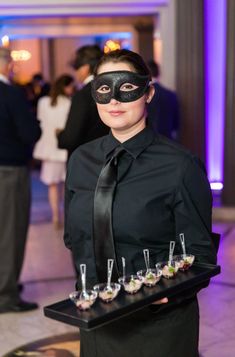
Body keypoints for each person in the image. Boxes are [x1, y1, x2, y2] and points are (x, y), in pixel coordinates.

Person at [63, 49, 217, 357]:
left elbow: (200, 255)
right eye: (104, 89)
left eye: (127, 87)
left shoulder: (180, 166)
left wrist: (166, 295)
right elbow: (75, 238)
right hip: (96, 322)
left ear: (148, 93)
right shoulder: (81, 160)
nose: (114, 101)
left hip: (158, 327)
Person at [0, 47, 41, 313]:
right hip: (8, 170)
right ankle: (5, 294)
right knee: (10, 233)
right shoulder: (11, 93)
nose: (13, 67)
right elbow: (30, 132)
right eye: (10, 63)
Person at [33, 74, 75, 229]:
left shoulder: (43, 102)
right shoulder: (69, 103)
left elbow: (41, 122)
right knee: (66, 185)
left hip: (49, 148)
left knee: (52, 185)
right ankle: (66, 216)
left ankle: (56, 217)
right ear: (66, 87)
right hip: (64, 147)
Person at [57, 45, 109, 158]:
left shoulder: (82, 95)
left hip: (86, 159)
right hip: (108, 155)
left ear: (85, 68)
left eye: (76, 68)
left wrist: (60, 135)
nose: (76, 73)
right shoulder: (110, 90)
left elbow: (70, 139)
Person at [147, 59, 180, 140]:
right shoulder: (171, 94)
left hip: (148, 141)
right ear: (159, 73)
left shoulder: (143, 95)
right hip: (168, 140)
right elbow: (176, 124)